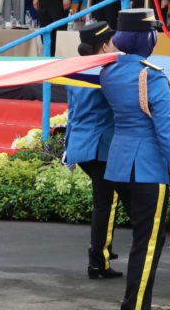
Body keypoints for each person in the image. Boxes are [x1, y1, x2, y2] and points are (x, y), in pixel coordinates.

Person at [100, 8, 170, 310]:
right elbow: (165, 133)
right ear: (146, 38)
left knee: (144, 240)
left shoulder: (109, 72)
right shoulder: (151, 75)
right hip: (147, 169)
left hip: (119, 167)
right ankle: (136, 305)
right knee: (148, 244)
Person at [63, 21, 123, 279]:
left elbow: (72, 112)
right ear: (103, 46)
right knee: (106, 204)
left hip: (81, 145)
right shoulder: (107, 72)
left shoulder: (77, 70)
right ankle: (99, 261)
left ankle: (104, 249)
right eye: (111, 42)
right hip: (101, 147)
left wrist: (68, 147)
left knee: (107, 201)